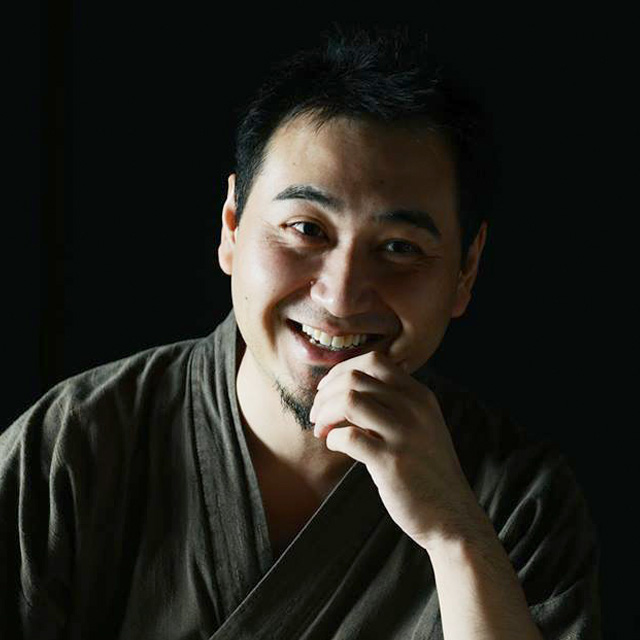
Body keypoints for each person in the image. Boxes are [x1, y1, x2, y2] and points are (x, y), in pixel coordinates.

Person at [0, 23, 600, 640]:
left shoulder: (519, 503)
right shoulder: (72, 447)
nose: (340, 296)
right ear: (232, 227)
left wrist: (455, 535)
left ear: (465, 271)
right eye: (307, 230)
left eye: (399, 247)